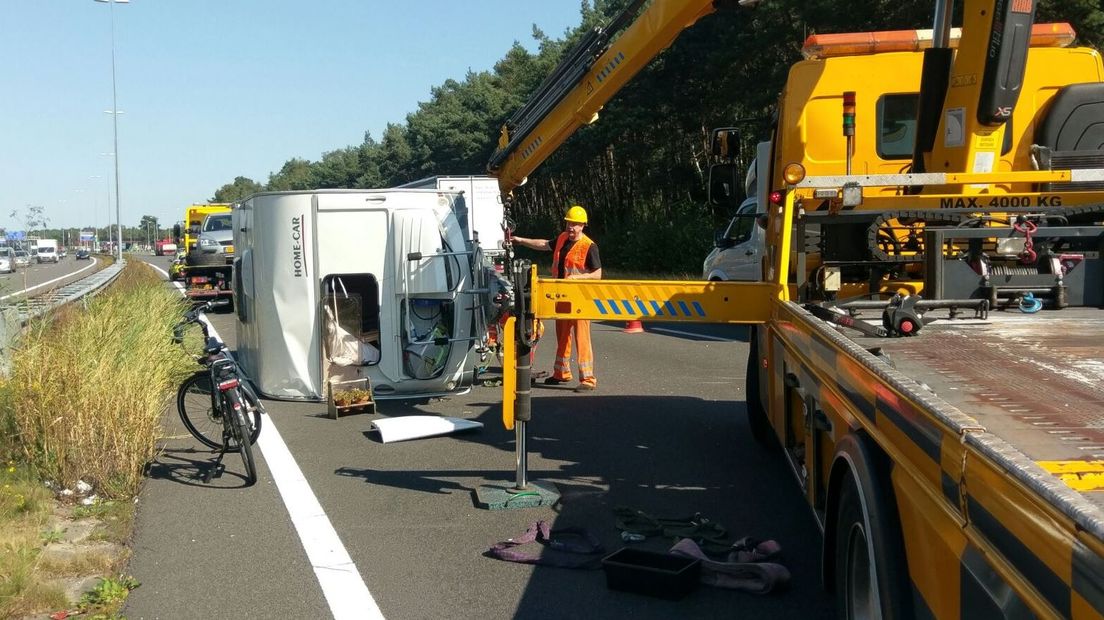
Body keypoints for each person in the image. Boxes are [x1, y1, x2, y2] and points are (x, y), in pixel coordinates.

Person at [511, 205, 602, 392]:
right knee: (562, 336)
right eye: (569, 223)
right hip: (562, 296)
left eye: (575, 224)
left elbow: (597, 274)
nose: (571, 227)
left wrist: (577, 277)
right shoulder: (562, 238)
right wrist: (520, 240)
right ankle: (561, 373)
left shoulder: (589, 246)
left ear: (583, 225)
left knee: (582, 338)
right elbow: (544, 244)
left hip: (580, 299)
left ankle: (588, 379)